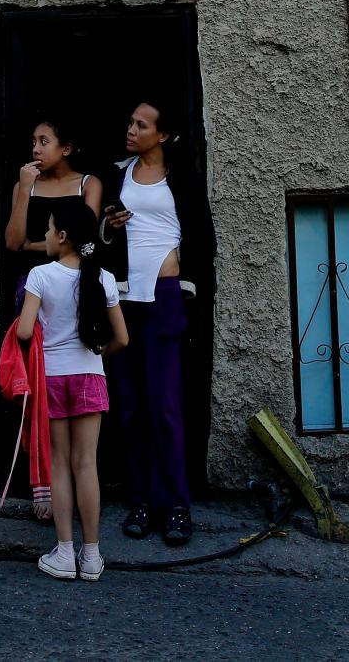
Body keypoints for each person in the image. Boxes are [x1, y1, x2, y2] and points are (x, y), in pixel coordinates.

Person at [103, 97, 216, 547]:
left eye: (142, 125)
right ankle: (142, 500)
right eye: (131, 122)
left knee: (166, 406)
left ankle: (177, 506)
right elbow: (102, 237)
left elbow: (204, 236)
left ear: (163, 135)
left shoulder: (181, 177)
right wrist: (110, 226)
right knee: (130, 407)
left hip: (167, 297)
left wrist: (182, 271)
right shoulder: (118, 174)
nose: (132, 130)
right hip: (127, 298)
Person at [16, 201, 127, 581]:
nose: (45, 236)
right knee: (87, 464)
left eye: (48, 230)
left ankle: (64, 553)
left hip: (52, 379)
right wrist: (97, 355)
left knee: (60, 464)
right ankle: (92, 556)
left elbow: (25, 332)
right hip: (90, 376)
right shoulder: (104, 278)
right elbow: (122, 339)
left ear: (62, 237)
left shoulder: (40, 276)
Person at [3, 118, 104, 254]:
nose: (36, 150)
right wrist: (24, 190)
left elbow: (86, 239)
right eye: (34, 142)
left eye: (43, 142)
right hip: (30, 272)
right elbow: (13, 243)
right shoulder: (25, 185)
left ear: (66, 149)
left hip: (72, 273)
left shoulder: (88, 184)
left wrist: (30, 246)